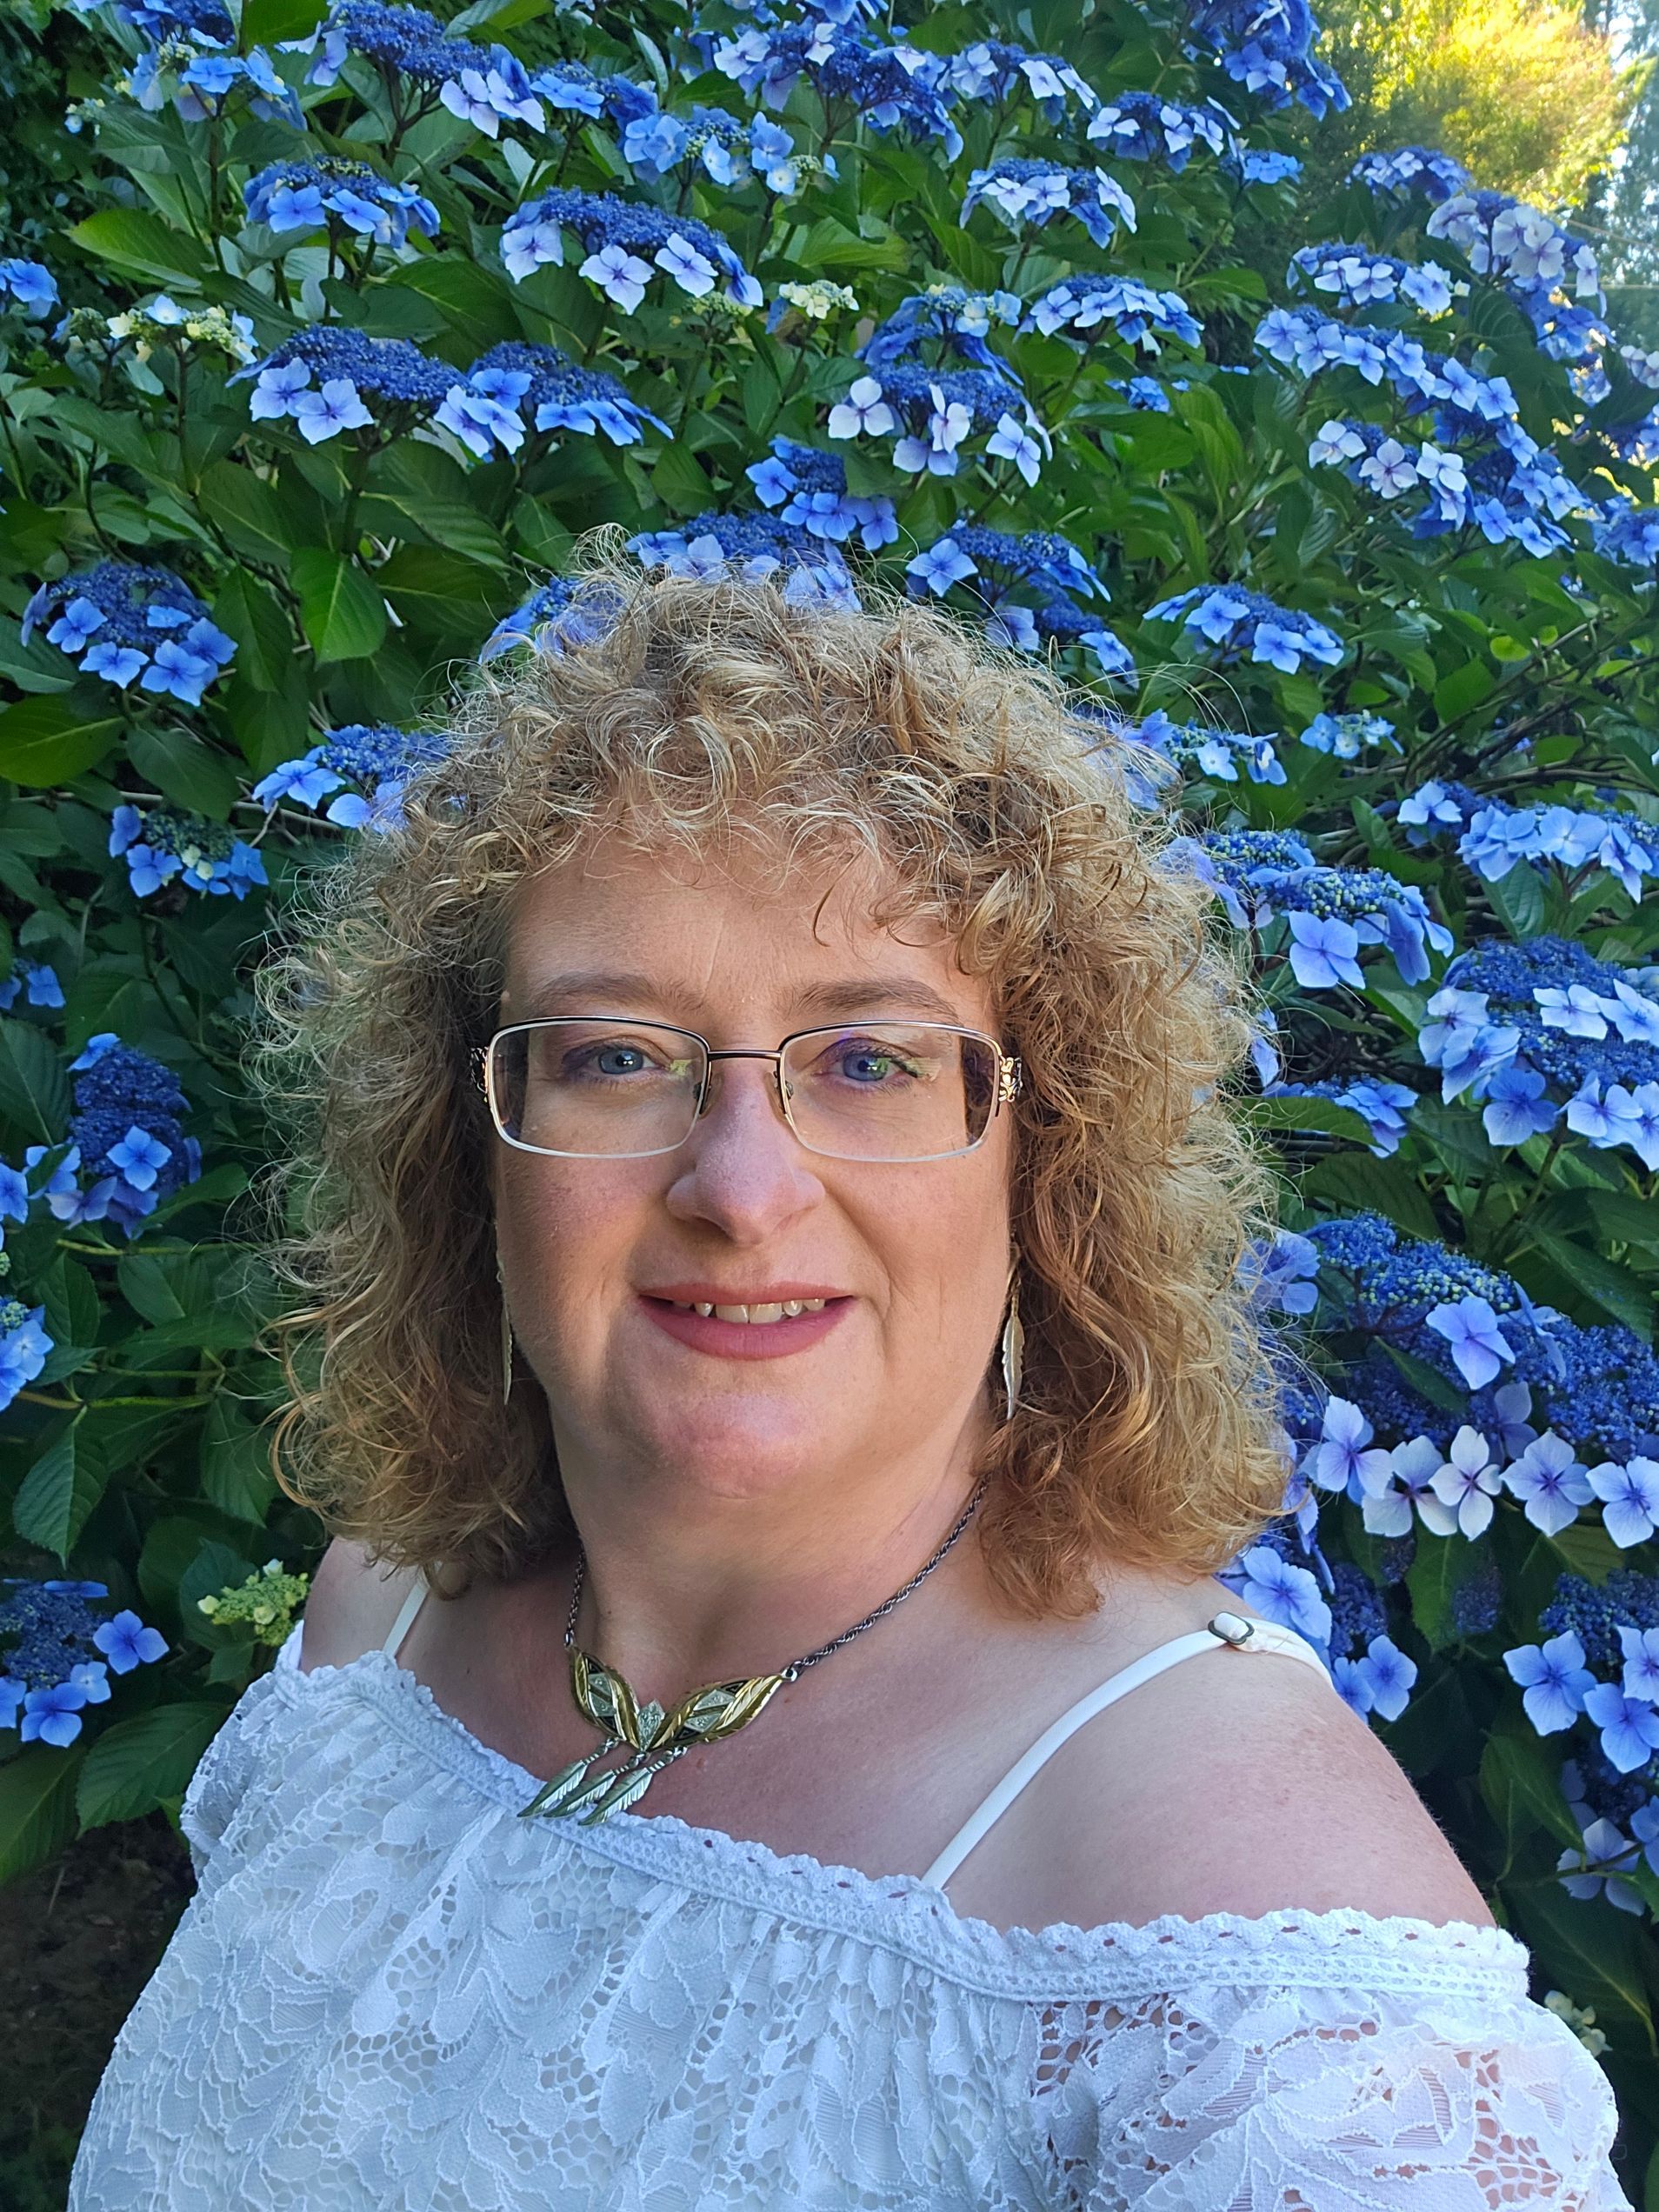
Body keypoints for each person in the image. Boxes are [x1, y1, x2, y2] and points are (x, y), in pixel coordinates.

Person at [70, 553, 1629, 2209]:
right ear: (469, 1152)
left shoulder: (1240, 1916)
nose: (741, 1189)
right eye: (615, 1057)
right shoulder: (374, 1621)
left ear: (1047, 1164)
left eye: (872, 1060)